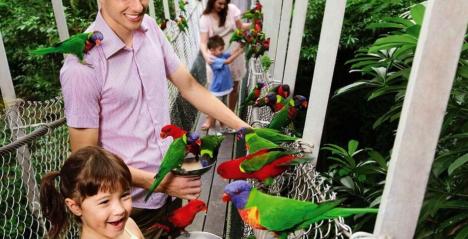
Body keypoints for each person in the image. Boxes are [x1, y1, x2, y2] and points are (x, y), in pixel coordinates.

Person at [59, 0, 249, 238]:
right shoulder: (81, 66)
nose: (139, 7)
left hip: (170, 192)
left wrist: (246, 130)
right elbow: (85, 159)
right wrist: (159, 183)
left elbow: (189, 86)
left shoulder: (149, 28)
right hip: (129, 210)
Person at [40, 146, 144, 239]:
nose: (120, 210)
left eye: (124, 195)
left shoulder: (129, 226)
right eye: (105, 201)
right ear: (75, 207)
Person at [199, 0, 249, 130]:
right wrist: (205, 55)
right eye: (220, 3)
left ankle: (229, 117)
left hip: (232, 48)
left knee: (234, 85)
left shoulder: (231, 9)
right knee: (215, 88)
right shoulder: (205, 18)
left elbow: (240, 27)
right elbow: (203, 42)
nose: (223, 6)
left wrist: (254, 25)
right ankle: (211, 118)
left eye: (225, 3)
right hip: (216, 54)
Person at [206, 35, 244, 132]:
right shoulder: (213, 60)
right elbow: (229, 60)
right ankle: (216, 128)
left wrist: (239, 47)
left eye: (223, 48)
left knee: (223, 108)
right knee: (219, 109)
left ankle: (223, 126)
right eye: (220, 49)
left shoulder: (220, 55)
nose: (223, 51)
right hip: (218, 90)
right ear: (212, 50)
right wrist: (240, 52)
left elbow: (230, 54)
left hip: (222, 90)